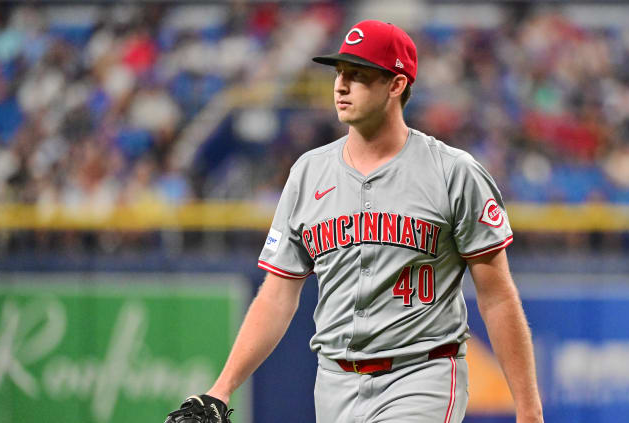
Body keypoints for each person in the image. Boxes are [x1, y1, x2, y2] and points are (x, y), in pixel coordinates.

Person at [166, 19, 543, 423]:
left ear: (396, 85)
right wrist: (221, 390)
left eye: (358, 75)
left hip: (422, 374)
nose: (341, 85)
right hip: (334, 382)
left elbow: (497, 294)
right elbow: (277, 294)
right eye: (339, 73)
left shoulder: (453, 172)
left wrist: (528, 409)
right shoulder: (308, 173)